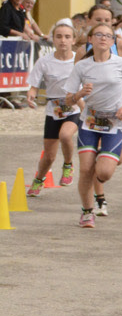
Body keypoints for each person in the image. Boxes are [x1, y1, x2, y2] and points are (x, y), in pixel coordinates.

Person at [63, 22, 122, 228]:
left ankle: (102, 158)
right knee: (85, 169)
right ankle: (87, 212)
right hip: (89, 122)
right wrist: (79, 95)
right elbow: (67, 100)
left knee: (104, 172)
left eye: (108, 36)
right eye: (98, 34)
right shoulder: (82, 65)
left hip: (114, 123)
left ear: (113, 41)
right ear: (90, 39)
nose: (103, 38)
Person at [24, 20, 81, 196]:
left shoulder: (78, 61)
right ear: (52, 39)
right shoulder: (44, 61)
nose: (63, 40)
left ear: (73, 40)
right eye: (58, 37)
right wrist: (31, 94)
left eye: (67, 37)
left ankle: (68, 165)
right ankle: (39, 179)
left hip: (74, 108)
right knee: (48, 156)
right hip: (53, 109)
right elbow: (34, 85)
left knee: (65, 135)